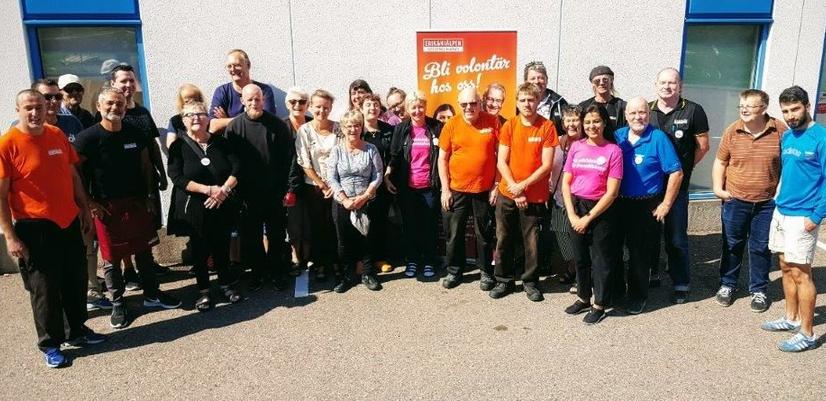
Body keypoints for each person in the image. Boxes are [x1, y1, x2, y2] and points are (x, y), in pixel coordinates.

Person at [0, 89, 106, 368]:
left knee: (75, 279)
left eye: (39, 106)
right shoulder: (7, 144)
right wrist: (10, 235)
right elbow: (1, 196)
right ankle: (50, 344)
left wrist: (83, 208)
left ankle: (77, 331)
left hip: (68, 220)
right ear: (18, 110)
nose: (35, 113)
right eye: (28, 108)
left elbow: (72, 175)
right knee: (45, 289)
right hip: (35, 227)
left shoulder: (56, 134)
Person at [74, 87, 181, 330]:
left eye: (119, 104)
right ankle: (118, 303)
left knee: (144, 251)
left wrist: (149, 196)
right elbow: (75, 173)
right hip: (105, 207)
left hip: (136, 202)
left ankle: (153, 295)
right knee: (111, 259)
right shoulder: (87, 138)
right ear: (99, 107)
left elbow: (145, 164)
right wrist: (89, 202)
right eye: (110, 104)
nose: (115, 108)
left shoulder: (136, 132)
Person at [28, 79, 109, 311]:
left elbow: (80, 165)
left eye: (56, 96)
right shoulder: (21, 130)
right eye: (47, 97)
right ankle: (61, 307)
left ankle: (92, 289)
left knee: (86, 246)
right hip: (42, 211)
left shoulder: (71, 123)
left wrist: (88, 200)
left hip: (75, 199)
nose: (53, 102)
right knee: (53, 262)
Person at [712, 89, 786, 313]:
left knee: (761, 247)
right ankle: (727, 285)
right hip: (735, 200)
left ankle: (759, 290)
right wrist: (718, 188)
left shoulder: (780, 130)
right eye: (741, 105)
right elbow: (720, 162)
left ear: (763, 108)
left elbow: (788, 165)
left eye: (750, 106)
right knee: (732, 244)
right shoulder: (732, 131)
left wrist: (779, 193)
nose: (744, 109)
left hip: (766, 203)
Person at [761, 85, 823, 352]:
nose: (791, 115)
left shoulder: (821, 137)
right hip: (782, 211)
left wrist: (817, 215)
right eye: (786, 111)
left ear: (807, 106)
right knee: (785, 266)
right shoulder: (787, 137)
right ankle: (791, 317)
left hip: (804, 216)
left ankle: (807, 333)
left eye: (795, 109)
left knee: (801, 273)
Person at [167, 101, 243, 311]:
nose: (196, 118)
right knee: (200, 250)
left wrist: (223, 191)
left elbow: (237, 167)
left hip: (222, 202)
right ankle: (204, 292)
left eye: (200, 114)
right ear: (183, 120)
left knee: (222, 246)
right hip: (196, 206)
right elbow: (176, 177)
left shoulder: (221, 143)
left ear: (208, 118)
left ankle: (226, 285)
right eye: (190, 115)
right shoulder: (178, 146)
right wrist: (208, 190)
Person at [614, 97, 683, 315]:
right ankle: (616, 293)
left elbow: (676, 172)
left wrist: (665, 205)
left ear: (648, 114)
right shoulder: (618, 136)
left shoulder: (658, 138)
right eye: (633, 113)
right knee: (614, 251)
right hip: (618, 203)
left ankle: (637, 297)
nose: (638, 117)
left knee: (639, 255)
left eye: (642, 113)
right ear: (626, 116)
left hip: (645, 205)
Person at [648, 67, 710, 303]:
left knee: (676, 238)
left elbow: (703, 146)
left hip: (677, 187)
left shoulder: (693, 110)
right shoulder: (648, 110)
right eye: (663, 82)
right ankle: (652, 272)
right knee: (650, 234)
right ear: (656, 85)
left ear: (680, 85)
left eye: (672, 83)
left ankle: (680, 281)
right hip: (650, 187)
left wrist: (683, 170)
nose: (667, 87)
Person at [225, 84, 295, 291]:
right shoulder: (234, 127)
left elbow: (289, 159)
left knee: (276, 236)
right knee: (251, 237)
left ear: (263, 100)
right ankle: (257, 273)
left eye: (258, 99)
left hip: (274, 193)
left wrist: (288, 188)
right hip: (247, 195)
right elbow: (231, 162)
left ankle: (277, 272)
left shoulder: (277, 125)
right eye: (250, 100)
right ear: (242, 102)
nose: (254, 103)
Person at [492, 82, 557, 301]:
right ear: (517, 102)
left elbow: (547, 165)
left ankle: (530, 282)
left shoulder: (547, 127)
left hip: (535, 196)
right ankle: (504, 281)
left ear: (538, 101)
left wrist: (523, 186)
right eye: (522, 100)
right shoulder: (509, 126)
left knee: (532, 242)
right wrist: (515, 188)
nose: (527, 104)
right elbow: (501, 161)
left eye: (531, 100)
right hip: (508, 194)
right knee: (504, 238)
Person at [561, 104, 623, 324]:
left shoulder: (613, 151)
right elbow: (566, 183)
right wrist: (572, 214)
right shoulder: (576, 147)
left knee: (600, 260)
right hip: (576, 207)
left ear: (605, 123)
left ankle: (600, 303)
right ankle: (583, 297)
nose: (591, 126)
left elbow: (612, 192)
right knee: (580, 258)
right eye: (587, 122)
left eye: (596, 121)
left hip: (601, 211)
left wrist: (588, 218)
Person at [106, 64, 169, 281]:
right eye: (123, 81)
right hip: (121, 182)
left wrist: (160, 171)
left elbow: (152, 145)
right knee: (124, 227)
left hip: (146, 177)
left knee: (147, 222)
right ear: (113, 83)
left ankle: (147, 263)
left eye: (131, 80)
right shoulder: (109, 111)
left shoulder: (142, 112)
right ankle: (129, 269)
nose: (128, 85)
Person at [439, 87, 500, 289]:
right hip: (456, 190)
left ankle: (485, 273)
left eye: (472, 103)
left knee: (484, 233)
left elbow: (501, 156)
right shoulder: (451, 125)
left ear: (480, 102)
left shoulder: (492, 122)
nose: (468, 107)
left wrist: (496, 185)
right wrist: (445, 190)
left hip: (484, 190)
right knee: (454, 233)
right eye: (464, 104)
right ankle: (454, 271)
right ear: (459, 104)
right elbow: (442, 159)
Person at [385, 90, 443, 279]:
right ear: (408, 109)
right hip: (407, 188)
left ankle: (428, 261)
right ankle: (412, 260)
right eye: (413, 107)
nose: (417, 110)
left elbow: (444, 156)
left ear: (425, 107)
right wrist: (387, 176)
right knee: (410, 226)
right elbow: (394, 157)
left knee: (429, 226)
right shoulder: (401, 129)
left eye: (420, 106)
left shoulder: (436, 127)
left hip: (430, 187)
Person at [327, 110, 384, 292]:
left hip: (365, 200)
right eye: (349, 126)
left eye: (357, 125)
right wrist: (344, 199)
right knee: (343, 240)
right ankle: (346, 275)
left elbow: (378, 174)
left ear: (361, 127)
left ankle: (368, 273)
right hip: (342, 202)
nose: (353, 129)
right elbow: (331, 177)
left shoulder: (370, 149)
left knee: (366, 238)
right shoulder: (336, 150)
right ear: (343, 128)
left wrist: (366, 195)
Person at [295, 89, 340, 282]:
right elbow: (304, 162)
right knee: (317, 226)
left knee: (335, 225)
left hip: (337, 184)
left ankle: (336, 263)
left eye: (326, 107)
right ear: (311, 107)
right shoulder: (304, 130)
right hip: (313, 186)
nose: (322, 111)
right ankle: (320, 264)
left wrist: (333, 183)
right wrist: (321, 184)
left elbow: (343, 155)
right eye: (318, 107)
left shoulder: (338, 128)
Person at [548, 105, 583, 293]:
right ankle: (572, 266)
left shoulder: (587, 144)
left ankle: (581, 274)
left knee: (578, 238)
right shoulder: (557, 143)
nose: (571, 123)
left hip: (580, 201)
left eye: (575, 119)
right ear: (563, 123)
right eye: (568, 120)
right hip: (558, 198)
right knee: (562, 235)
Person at [361, 93, 397, 272]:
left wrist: (387, 175)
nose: (372, 108)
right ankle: (362, 260)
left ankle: (380, 258)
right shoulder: (357, 130)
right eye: (368, 105)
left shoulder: (388, 129)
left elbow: (393, 156)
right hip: (361, 185)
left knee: (380, 222)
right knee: (361, 222)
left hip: (383, 184)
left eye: (375, 105)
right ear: (361, 108)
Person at [209, 49, 277, 134]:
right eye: (229, 66)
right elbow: (213, 126)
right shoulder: (222, 92)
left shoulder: (263, 90)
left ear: (248, 65)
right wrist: (250, 119)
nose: (233, 69)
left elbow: (268, 122)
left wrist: (227, 121)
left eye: (237, 65)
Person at [283, 87, 312, 275]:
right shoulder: (280, 126)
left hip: (312, 182)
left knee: (311, 221)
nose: (297, 105)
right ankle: (295, 258)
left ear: (307, 104)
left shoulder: (313, 124)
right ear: (287, 104)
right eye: (293, 102)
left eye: (302, 101)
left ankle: (309, 257)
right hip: (289, 184)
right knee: (293, 223)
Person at [523, 61, 568, 132]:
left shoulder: (559, 103)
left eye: (541, 78)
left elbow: (569, 126)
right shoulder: (517, 103)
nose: (537, 81)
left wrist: (566, 136)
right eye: (533, 78)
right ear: (526, 82)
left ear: (546, 80)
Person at [165, 83, 205, 149]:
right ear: (181, 103)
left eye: (195, 100)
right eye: (187, 101)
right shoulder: (175, 121)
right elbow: (170, 144)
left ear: (200, 101)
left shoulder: (204, 118)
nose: (191, 104)